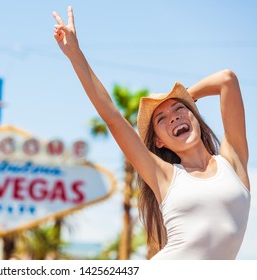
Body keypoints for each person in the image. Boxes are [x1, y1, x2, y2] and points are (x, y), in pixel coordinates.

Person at [52, 6, 251, 259]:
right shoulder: (164, 176)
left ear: (195, 117)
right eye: (162, 118)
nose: (174, 117)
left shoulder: (233, 162)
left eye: (179, 111)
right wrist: (75, 54)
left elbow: (227, 79)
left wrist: (186, 98)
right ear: (158, 141)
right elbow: (112, 116)